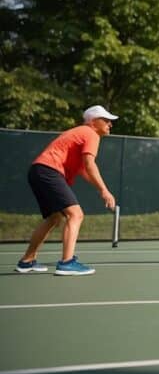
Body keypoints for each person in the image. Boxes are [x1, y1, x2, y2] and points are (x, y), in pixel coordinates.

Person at [16, 105, 119, 276]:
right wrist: (104, 191)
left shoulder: (80, 133)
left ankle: (26, 261)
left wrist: (101, 189)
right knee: (75, 214)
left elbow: (83, 170)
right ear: (94, 122)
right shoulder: (90, 133)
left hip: (38, 170)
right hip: (49, 170)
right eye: (106, 120)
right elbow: (89, 165)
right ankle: (67, 263)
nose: (110, 124)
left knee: (54, 218)